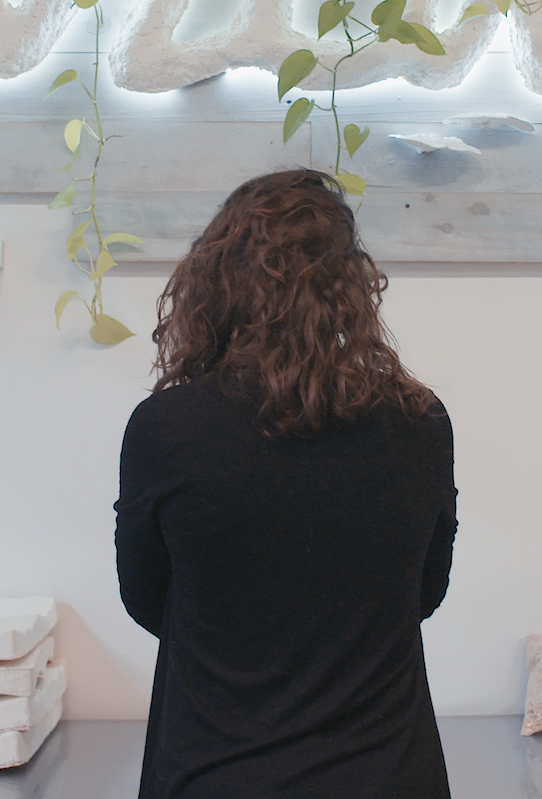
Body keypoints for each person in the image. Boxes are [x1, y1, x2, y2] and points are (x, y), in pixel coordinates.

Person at [115, 169, 458, 799]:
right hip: (388, 775)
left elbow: (146, 599)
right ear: (350, 288)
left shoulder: (167, 428)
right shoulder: (420, 421)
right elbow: (424, 594)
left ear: (212, 282)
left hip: (214, 773)